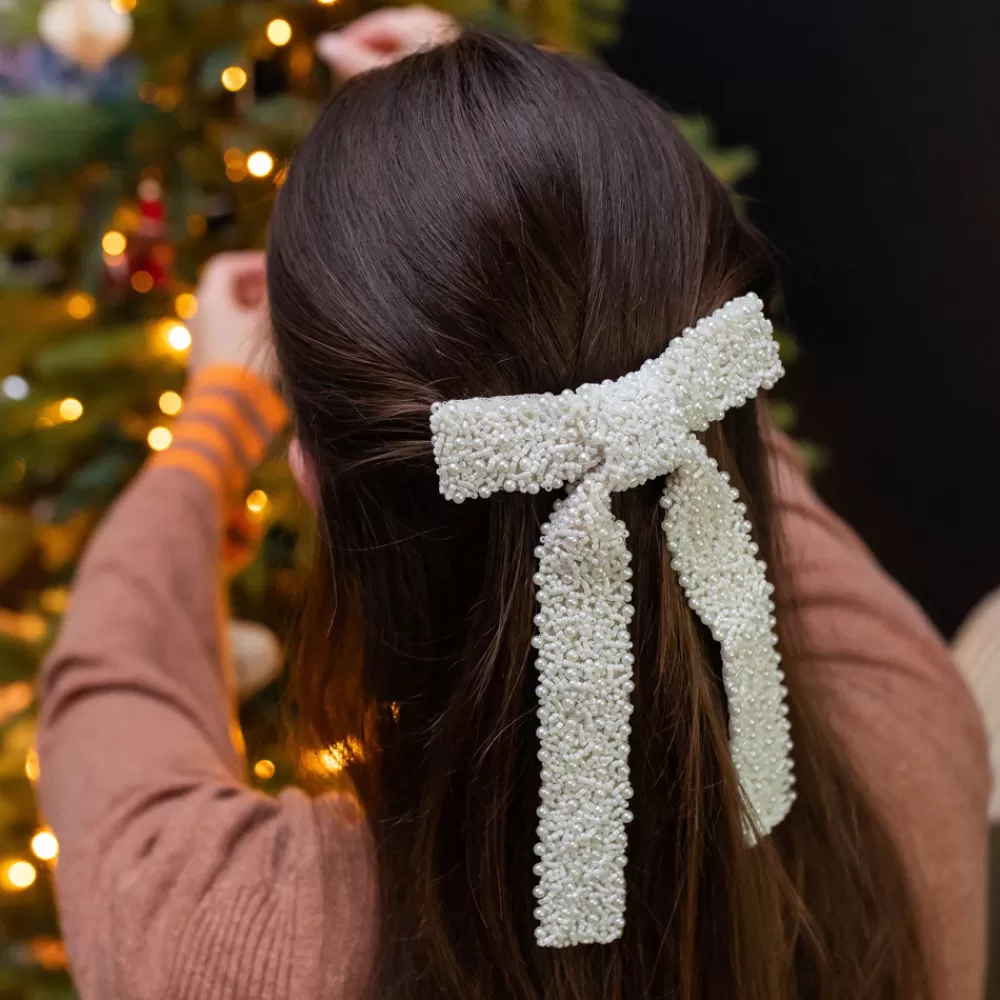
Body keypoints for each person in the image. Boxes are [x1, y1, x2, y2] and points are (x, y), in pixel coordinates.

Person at [37, 21, 988, 1000]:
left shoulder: (226, 937)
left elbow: (110, 688)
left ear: (312, 482)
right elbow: (708, 438)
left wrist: (213, 418)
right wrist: (522, 145)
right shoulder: (912, 730)